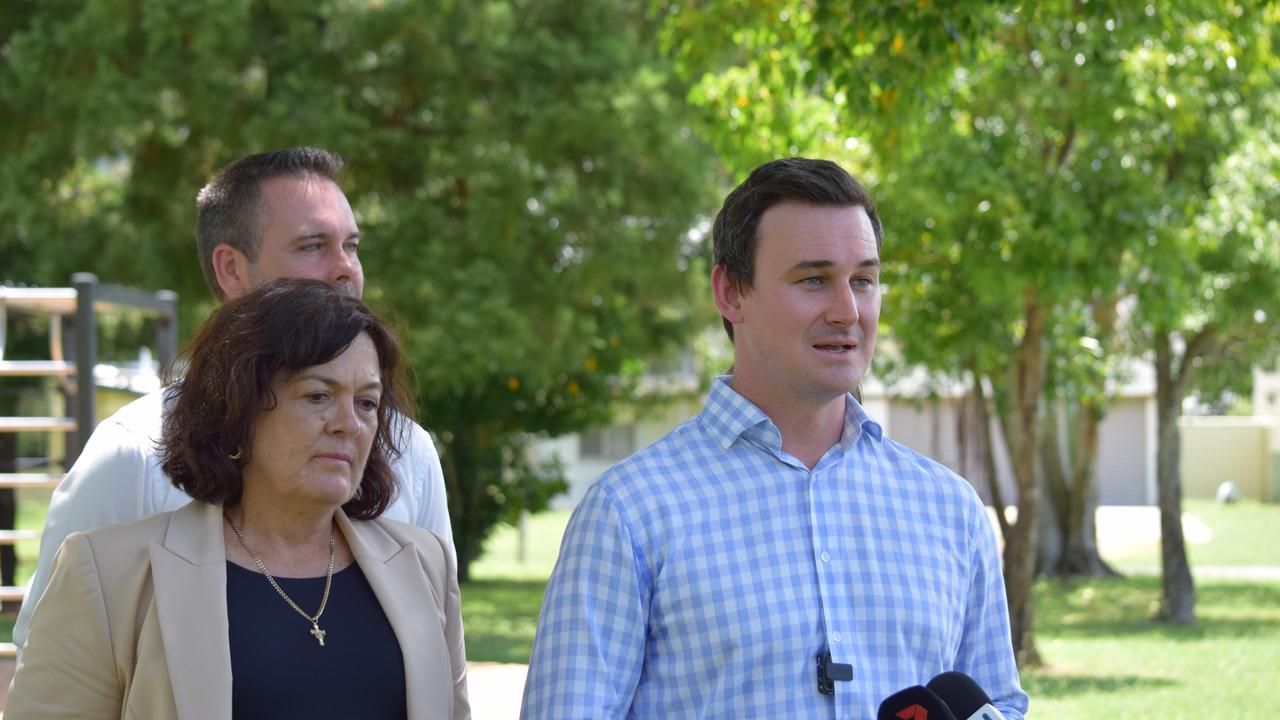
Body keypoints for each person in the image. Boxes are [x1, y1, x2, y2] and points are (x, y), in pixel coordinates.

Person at [520, 158, 1029, 719]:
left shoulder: (950, 509)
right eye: (814, 280)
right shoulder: (630, 512)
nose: (847, 311)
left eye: (863, 280)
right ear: (731, 292)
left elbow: (997, 704)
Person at [14, 147, 453, 657]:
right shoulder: (132, 456)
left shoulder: (406, 450)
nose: (345, 271)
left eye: (351, 246)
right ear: (232, 270)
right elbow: (55, 669)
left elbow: (436, 665)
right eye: (313, 245)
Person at [6, 279, 469, 719]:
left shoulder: (424, 563)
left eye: (367, 403)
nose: (348, 423)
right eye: (318, 395)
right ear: (239, 406)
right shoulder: (109, 576)